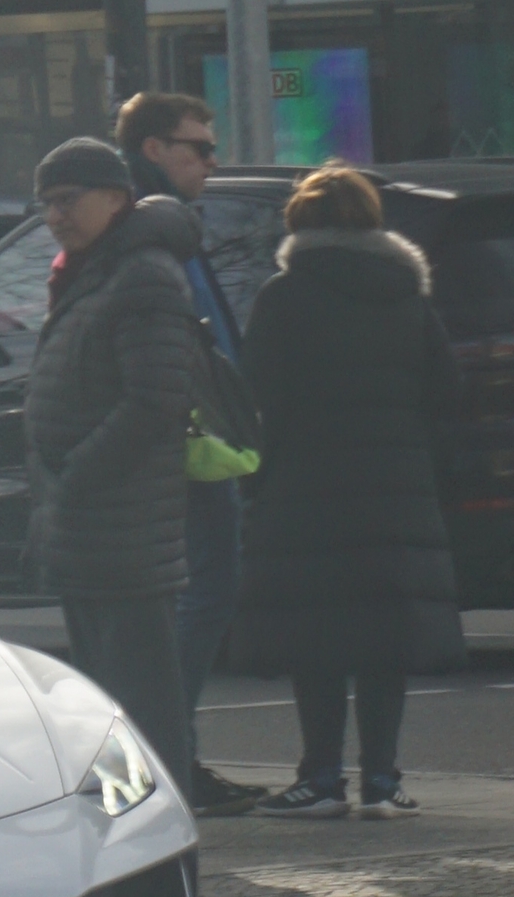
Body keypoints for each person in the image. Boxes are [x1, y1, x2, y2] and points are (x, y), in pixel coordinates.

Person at [240, 166, 463, 818]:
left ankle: (320, 777)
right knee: (382, 638)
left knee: (319, 637)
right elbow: (444, 397)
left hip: (307, 493)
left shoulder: (284, 297)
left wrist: (257, 479)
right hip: (396, 490)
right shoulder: (408, 299)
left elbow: (261, 402)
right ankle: (385, 779)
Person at [23, 137, 208, 793]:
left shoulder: (141, 275)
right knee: (107, 702)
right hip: (89, 525)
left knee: (140, 705)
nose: (55, 216)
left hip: (121, 527)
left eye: (67, 200)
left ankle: (152, 837)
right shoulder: (90, 270)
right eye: (47, 204)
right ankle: (125, 826)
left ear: (115, 198)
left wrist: (77, 474)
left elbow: (155, 400)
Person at [117, 90, 266, 817]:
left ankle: (166, 754)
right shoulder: (147, 230)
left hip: (200, 441)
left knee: (195, 598)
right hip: (182, 446)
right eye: (197, 148)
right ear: (154, 150)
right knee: (199, 595)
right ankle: (161, 755)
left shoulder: (171, 227)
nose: (211, 160)